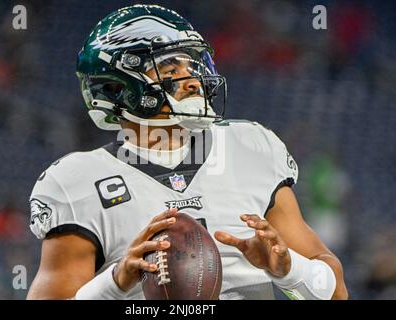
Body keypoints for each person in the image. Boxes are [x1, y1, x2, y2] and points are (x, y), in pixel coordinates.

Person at [27, 4, 348, 300]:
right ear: (118, 86)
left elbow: (335, 294)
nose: (193, 80)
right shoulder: (76, 182)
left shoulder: (252, 147)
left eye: (193, 65)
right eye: (170, 68)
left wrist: (290, 270)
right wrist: (115, 282)